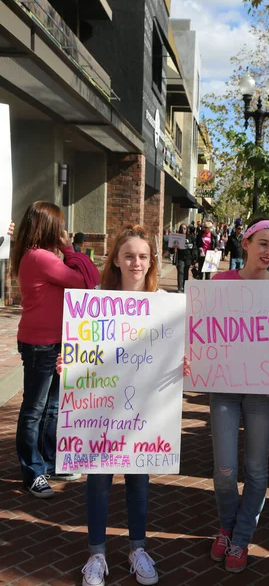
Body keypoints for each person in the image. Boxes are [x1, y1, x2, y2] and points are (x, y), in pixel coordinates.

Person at [57, 225, 190, 586]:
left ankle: (137, 549)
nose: (136, 262)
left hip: (144, 412)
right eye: (129, 255)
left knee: (139, 479)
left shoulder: (164, 303)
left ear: (151, 262)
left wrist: (183, 365)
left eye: (143, 256)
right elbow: (80, 351)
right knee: (98, 479)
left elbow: (171, 354)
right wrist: (68, 364)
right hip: (102, 408)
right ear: (115, 258)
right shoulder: (94, 300)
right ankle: (97, 554)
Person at [209, 218, 269, 573]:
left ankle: (240, 537)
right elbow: (200, 328)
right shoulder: (220, 282)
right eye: (263, 244)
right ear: (247, 243)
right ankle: (227, 524)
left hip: (262, 392)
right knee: (224, 470)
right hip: (223, 386)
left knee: (255, 469)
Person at [12, 201, 99, 499]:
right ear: (48, 227)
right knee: (35, 409)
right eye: (59, 226)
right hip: (41, 344)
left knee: (51, 405)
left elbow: (89, 278)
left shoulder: (39, 256)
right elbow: (88, 280)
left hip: (54, 341)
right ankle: (33, 471)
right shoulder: (40, 258)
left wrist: (67, 251)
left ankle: (49, 460)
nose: (63, 231)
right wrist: (70, 249)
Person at [173, 223, 197, 292]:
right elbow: (171, 249)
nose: (183, 230)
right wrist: (173, 247)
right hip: (180, 257)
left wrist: (194, 257)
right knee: (180, 271)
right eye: (181, 228)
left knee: (186, 272)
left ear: (187, 229)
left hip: (188, 257)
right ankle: (180, 287)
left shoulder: (190, 237)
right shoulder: (177, 237)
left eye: (184, 228)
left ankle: (184, 286)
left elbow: (194, 247)